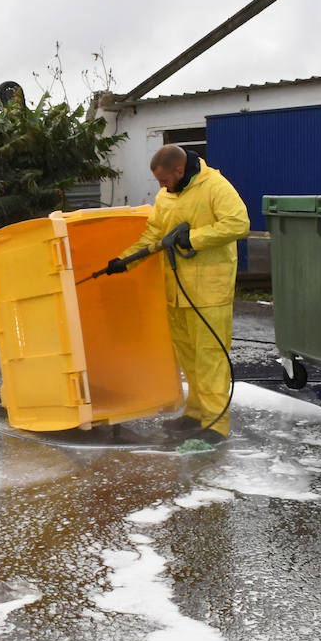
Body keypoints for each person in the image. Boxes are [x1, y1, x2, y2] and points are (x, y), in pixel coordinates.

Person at [105, 145, 249, 443]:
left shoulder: (215, 186)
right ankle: (195, 414)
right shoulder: (166, 196)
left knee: (210, 360)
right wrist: (125, 260)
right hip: (177, 291)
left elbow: (239, 224)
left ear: (179, 170)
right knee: (190, 359)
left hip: (209, 292)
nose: (161, 186)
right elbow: (154, 235)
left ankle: (215, 425)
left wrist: (193, 237)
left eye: (163, 180)